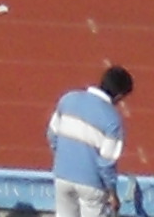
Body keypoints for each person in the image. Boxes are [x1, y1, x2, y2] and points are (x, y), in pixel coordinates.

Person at [48, 69, 133, 217]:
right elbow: (106, 163)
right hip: (91, 183)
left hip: (62, 175)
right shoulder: (112, 119)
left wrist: (64, 159)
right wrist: (112, 192)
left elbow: (52, 136)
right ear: (119, 96)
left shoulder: (68, 99)